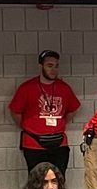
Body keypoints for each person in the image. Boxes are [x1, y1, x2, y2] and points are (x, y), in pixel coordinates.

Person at [7, 48, 81, 176]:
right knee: (37, 183)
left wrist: (60, 123)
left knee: (59, 181)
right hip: (34, 143)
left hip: (59, 144)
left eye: (56, 66)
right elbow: (15, 112)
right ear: (41, 66)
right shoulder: (27, 88)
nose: (53, 70)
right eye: (49, 66)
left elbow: (73, 110)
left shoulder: (64, 88)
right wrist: (29, 126)